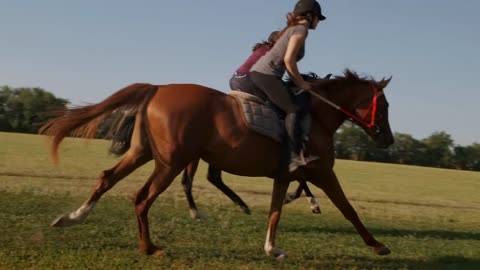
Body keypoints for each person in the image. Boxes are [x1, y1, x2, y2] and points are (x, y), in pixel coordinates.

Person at [249, 0, 326, 172]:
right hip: (266, 75)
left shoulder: (293, 29)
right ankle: (293, 158)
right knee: (294, 109)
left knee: (285, 108)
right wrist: (301, 83)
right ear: (310, 16)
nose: (318, 22)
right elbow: (289, 60)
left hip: (260, 74)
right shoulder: (301, 30)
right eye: (318, 18)